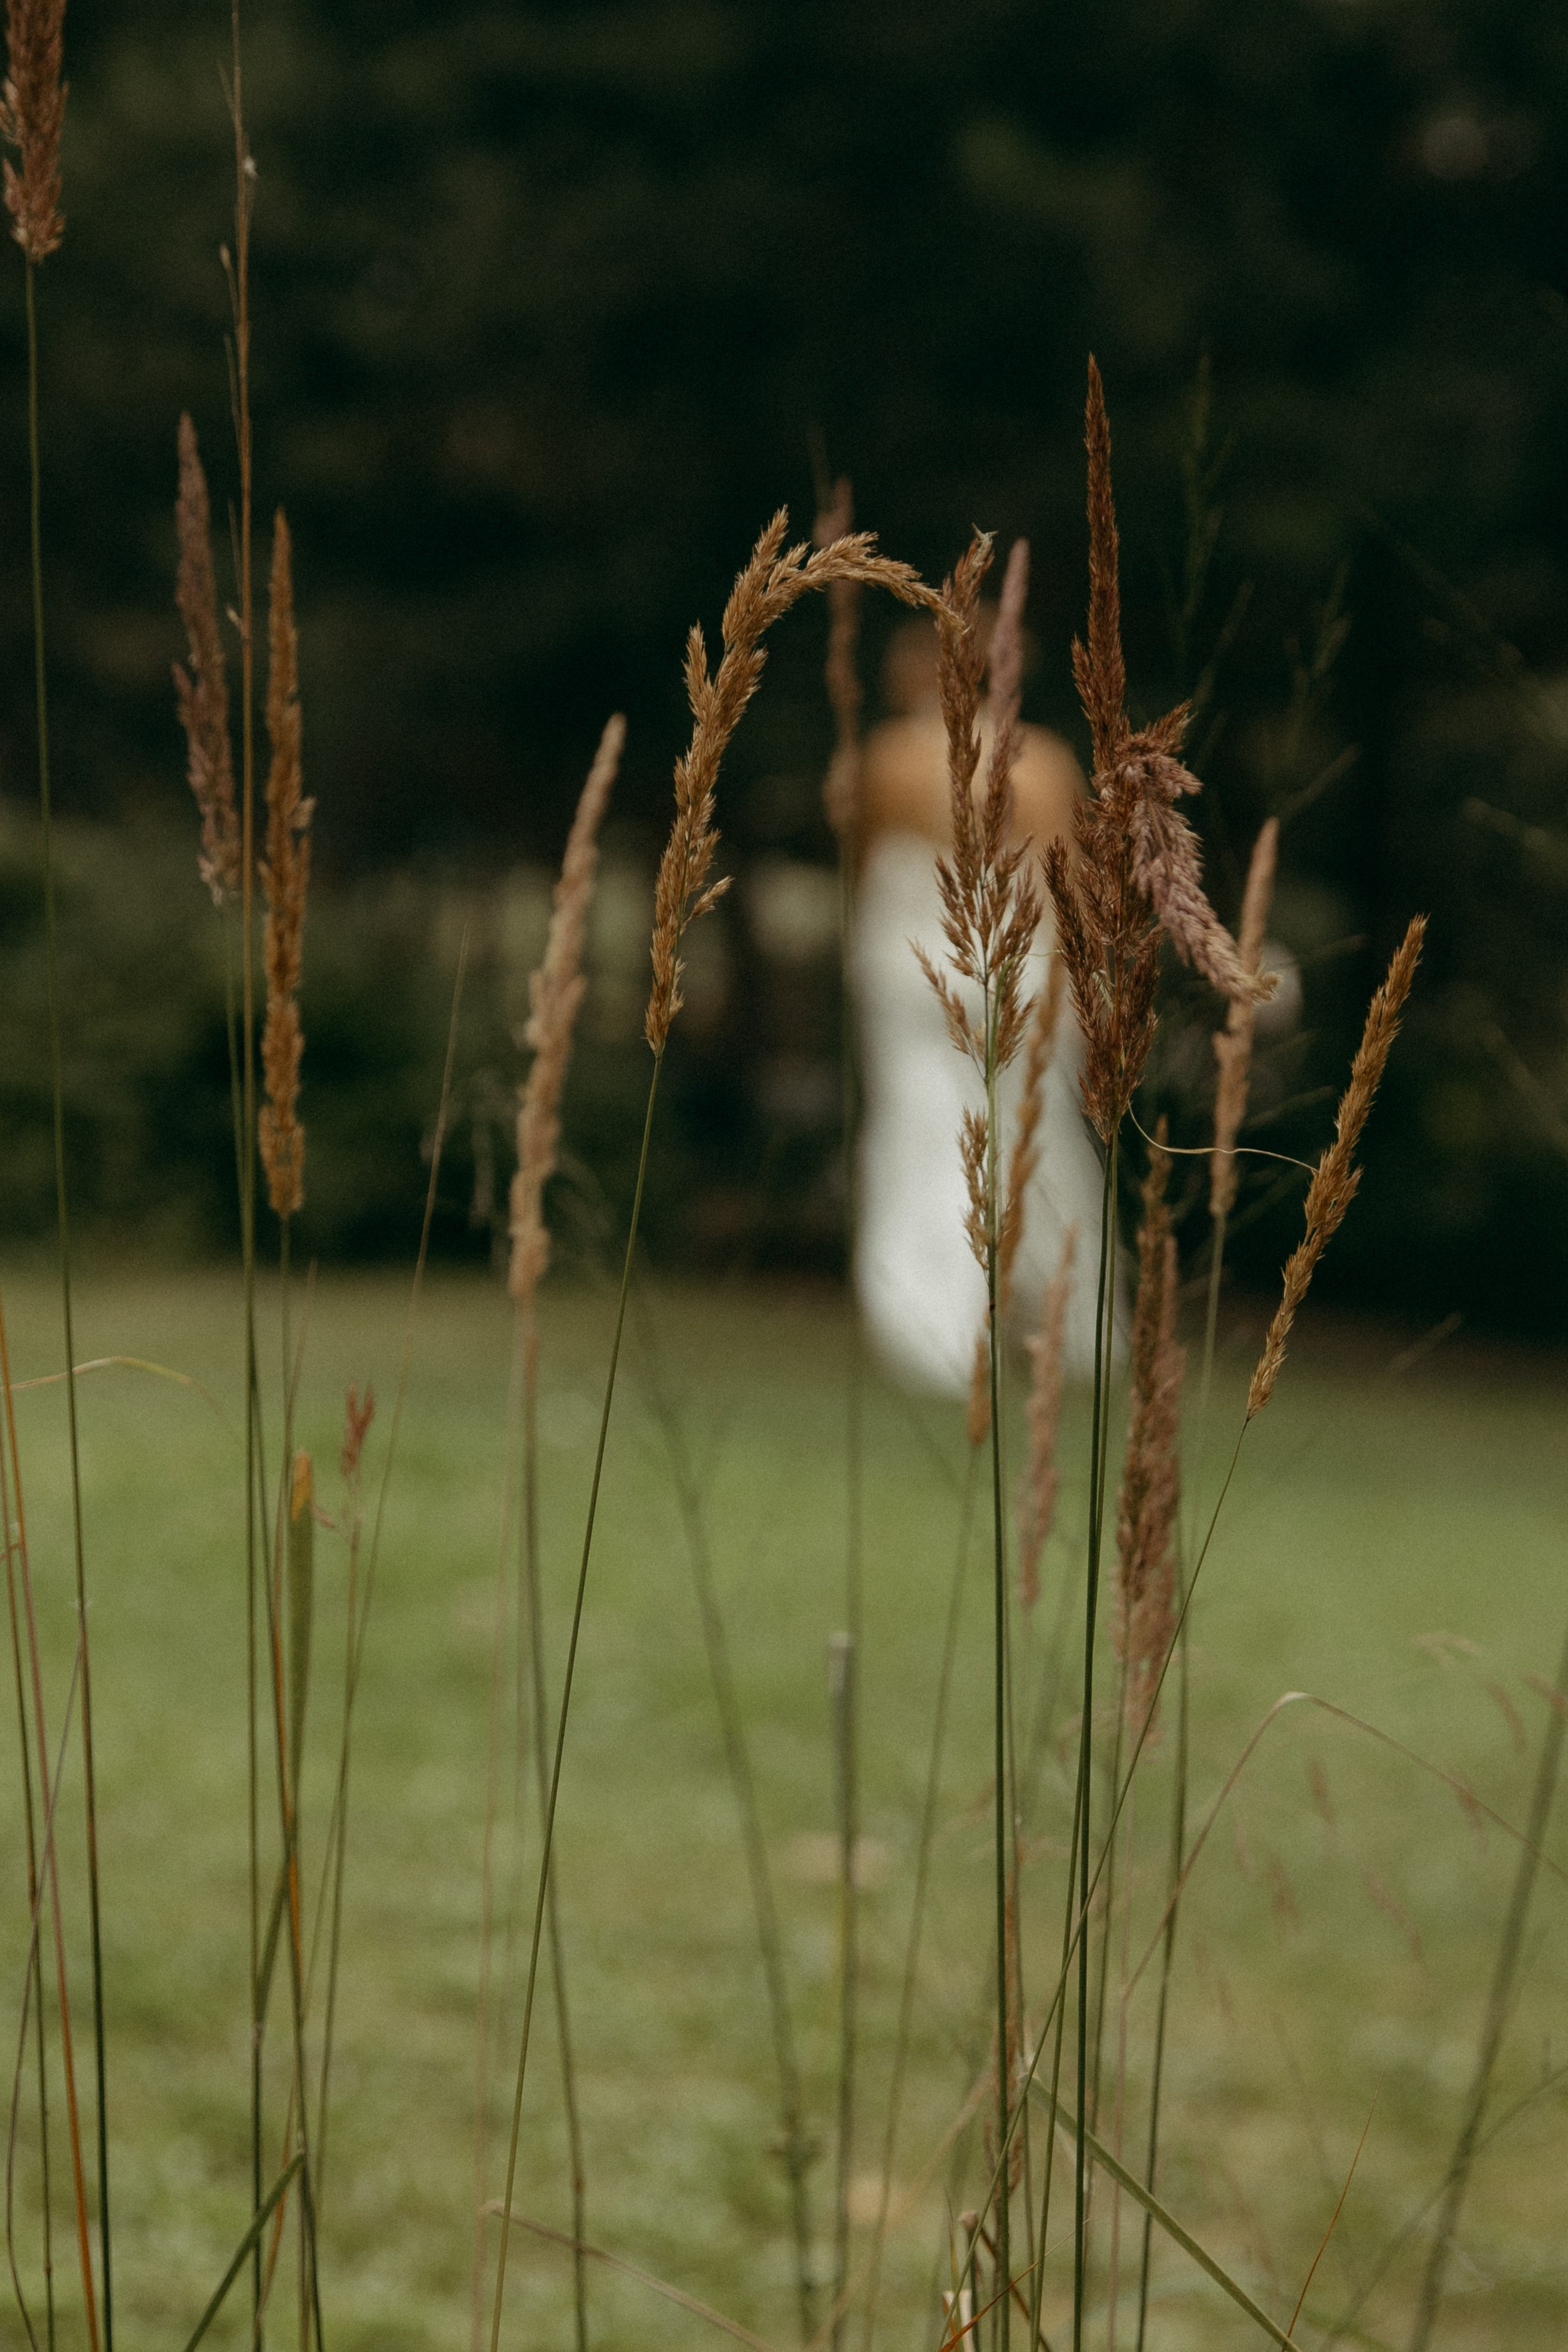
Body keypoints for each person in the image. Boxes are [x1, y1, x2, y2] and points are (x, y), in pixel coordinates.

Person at [851, 612, 1113, 1392]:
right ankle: (1059, 1316)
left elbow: (867, 868)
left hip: (916, 968)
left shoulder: (890, 755)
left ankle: (932, 1326)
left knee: (923, 1137)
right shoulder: (1048, 761)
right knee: (1037, 1141)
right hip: (1023, 970)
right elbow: (1069, 888)